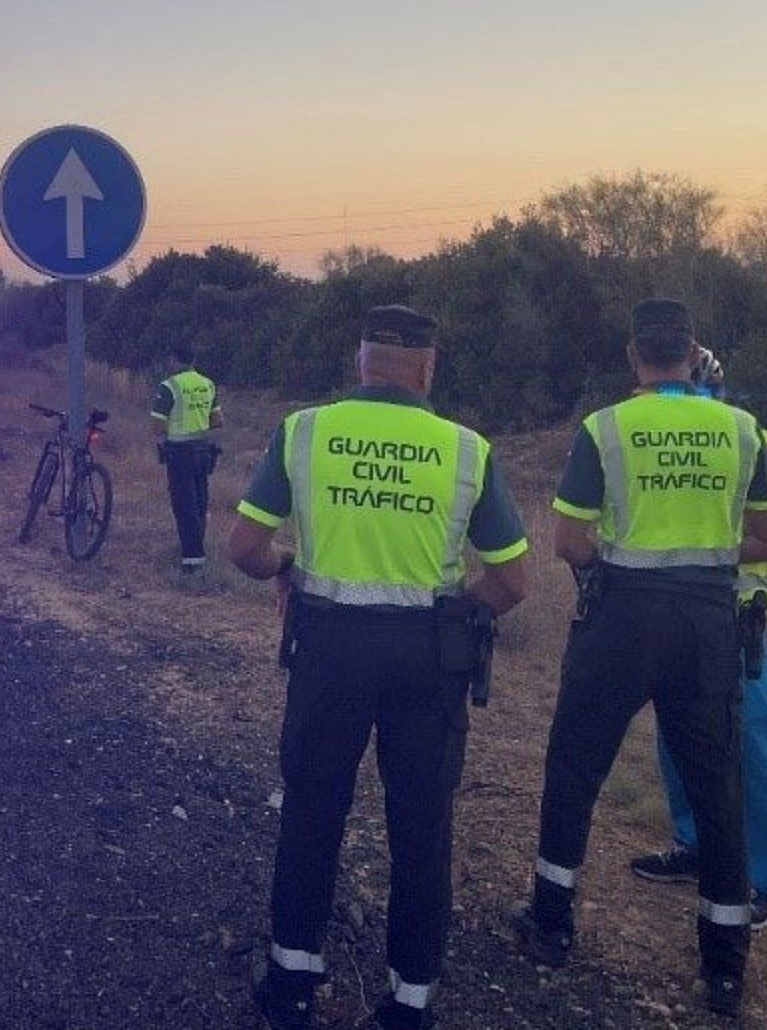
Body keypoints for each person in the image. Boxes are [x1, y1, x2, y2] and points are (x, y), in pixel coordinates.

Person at [227, 305, 531, 1030]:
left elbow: (243, 546)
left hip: (328, 652)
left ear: (360, 362)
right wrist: (461, 609)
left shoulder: (305, 432)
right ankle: (410, 1003)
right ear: (427, 368)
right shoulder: (465, 449)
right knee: (422, 826)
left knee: (311, 813)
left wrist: (287, 568)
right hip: (428, 660)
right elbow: (514, 582)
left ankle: (292, 986)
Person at [511, 300, 767, 1020]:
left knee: (575, 768)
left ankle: (552, 925)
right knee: (716, 790)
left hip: (623, 616)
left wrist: (614, 564)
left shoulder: (606, 427)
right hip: (706, 621)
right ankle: (724, 969)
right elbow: (765, 531)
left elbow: (568, 540)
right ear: (694, 355)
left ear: (634, 356)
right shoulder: (742, 429)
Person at [632, 346, 767, 932]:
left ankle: (764, 883)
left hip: (737, 619)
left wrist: (715, 557)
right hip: (680, 615)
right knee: (675, 734)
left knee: (749, 749)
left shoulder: (753, 441)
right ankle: (693, 845)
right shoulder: (667, 446)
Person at [153, 345, 223, 571]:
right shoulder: (207, 383)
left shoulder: (169, 386)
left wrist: (173, 429)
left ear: (173, 360)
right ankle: (197, 553)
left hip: (180, 453)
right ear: (193, 359)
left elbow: (157, 425)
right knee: (200, 501)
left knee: (184, 505)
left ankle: (192, 560)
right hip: (203, 450)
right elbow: (218, 420)